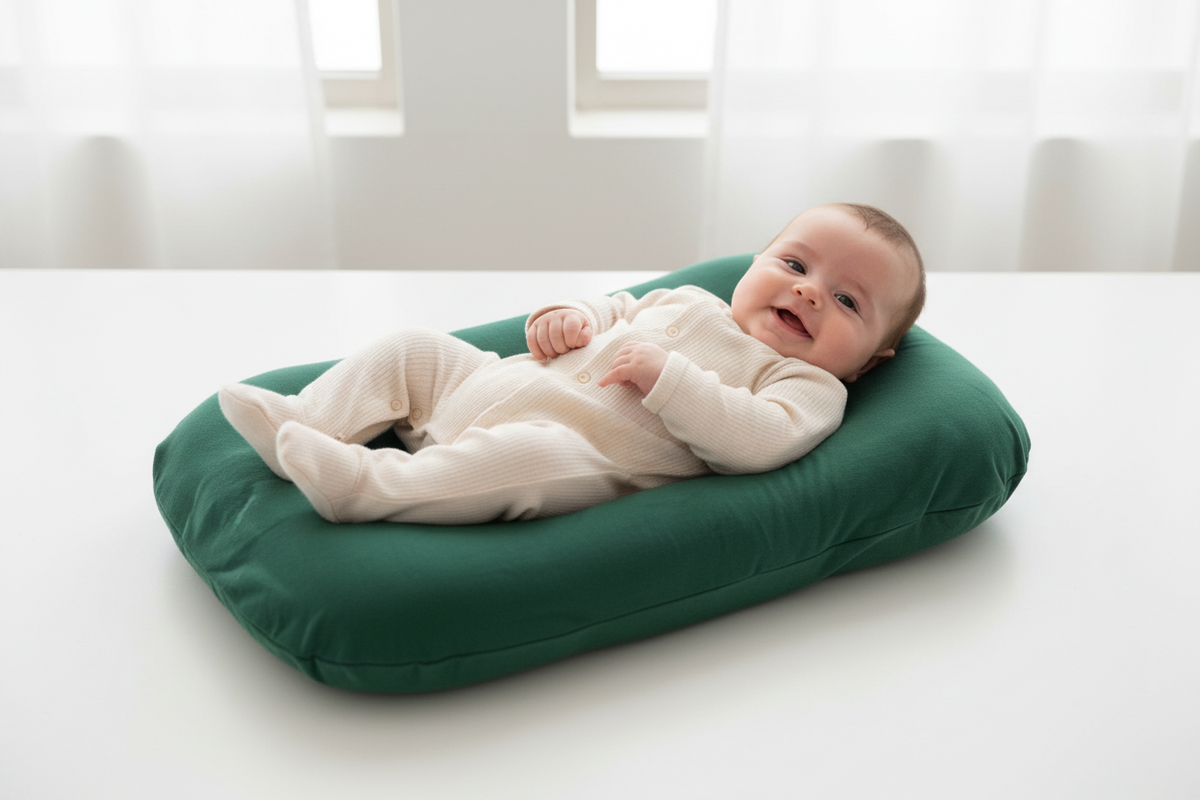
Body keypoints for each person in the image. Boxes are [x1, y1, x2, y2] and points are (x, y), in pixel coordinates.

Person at [219, 203, 925, 525]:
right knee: (414, 348)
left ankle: (367, 485)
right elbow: (607, 311)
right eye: (794, 264)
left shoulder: (806, 385)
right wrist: (567, 320)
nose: (807, 291)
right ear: (754, 265)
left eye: (845, 300)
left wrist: (670, 379)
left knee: (525, 457)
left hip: (584, 453)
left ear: (870, 361)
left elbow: (761, 438)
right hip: (492, 382)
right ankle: (310, 418)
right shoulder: (685, 297)